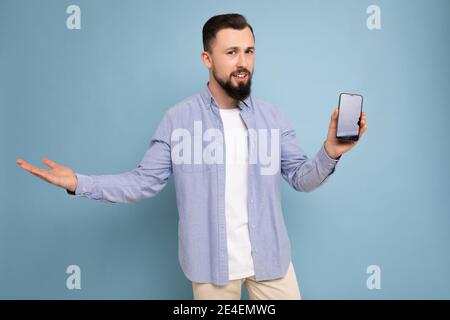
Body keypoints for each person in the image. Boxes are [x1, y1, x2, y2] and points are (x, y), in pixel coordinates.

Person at [16, 13, 367, 300]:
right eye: (231, 53)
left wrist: (330, 152)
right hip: (211, 269)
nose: (242, 62)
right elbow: (142, 183)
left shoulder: (272, 117)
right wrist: (79, 183)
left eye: (249, 51)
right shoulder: (178, 120)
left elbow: (301, 179)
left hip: (271, 260)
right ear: (207, 58)